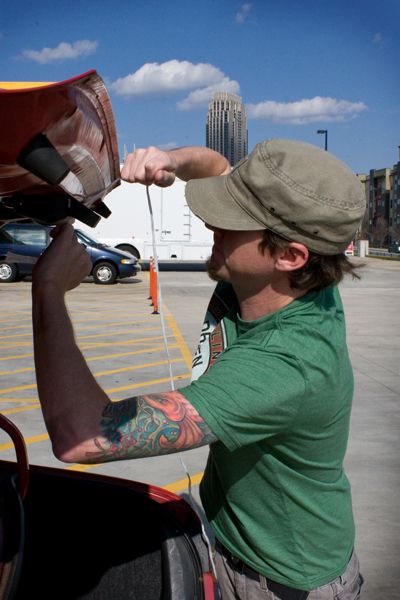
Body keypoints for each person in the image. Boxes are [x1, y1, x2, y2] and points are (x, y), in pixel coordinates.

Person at [31, 139, 365, 600]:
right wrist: (172, 160)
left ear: (291, 255)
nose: (211, 222)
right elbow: (217, 167)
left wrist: (48, 290)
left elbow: (82, 435)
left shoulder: (286, 365)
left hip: (278, 582)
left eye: (233, 222)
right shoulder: (293, 281)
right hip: (232, 538)